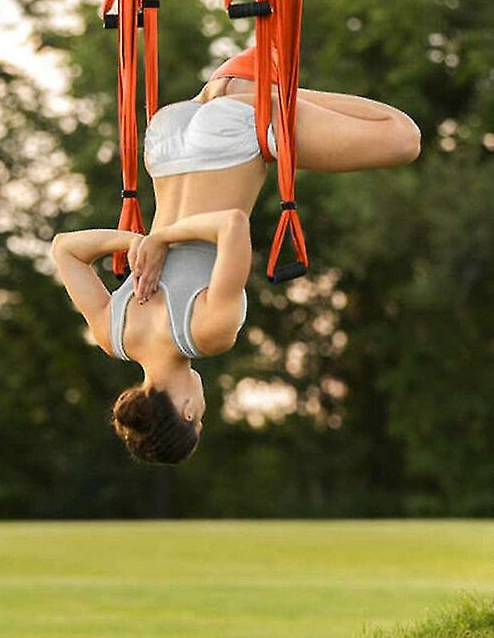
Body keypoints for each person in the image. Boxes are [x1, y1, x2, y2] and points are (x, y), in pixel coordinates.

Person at [50, 45, 421, 464]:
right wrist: (137, 241)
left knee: (402, 138)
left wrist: (156, 240)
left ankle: (258, 94)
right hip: (166, 137)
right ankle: (242, 89)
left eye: (201, 420)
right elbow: (66, 249)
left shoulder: (206, 334)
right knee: (276, 46)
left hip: (231, 137)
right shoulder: (112, 334)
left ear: (188, 413)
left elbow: (231, 225)